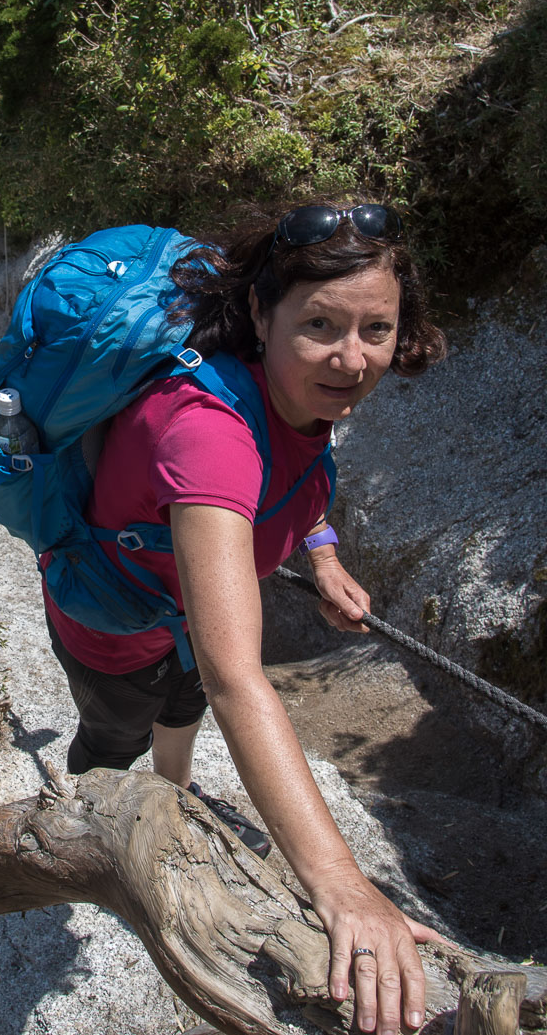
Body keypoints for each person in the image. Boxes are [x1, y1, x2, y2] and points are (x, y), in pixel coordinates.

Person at [43, 201, 447, 1035]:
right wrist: (340, 884)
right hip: (113, 619)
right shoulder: (210, 432)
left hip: (180, 605)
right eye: (322, 324)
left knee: (182, 695)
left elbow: (303, 469)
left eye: (377, 327)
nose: (352, 356)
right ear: (262, 314)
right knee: (117, 728)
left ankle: (177, 792)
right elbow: (239, 678)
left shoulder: (292, 391)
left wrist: (324, 556)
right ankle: (92, 824)